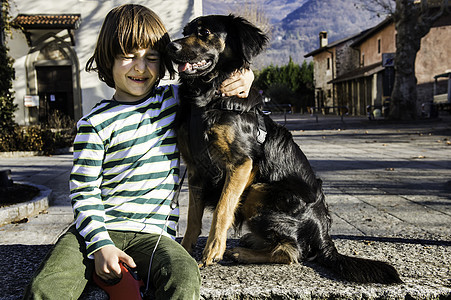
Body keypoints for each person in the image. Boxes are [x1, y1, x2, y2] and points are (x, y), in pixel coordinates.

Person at [23, 4, 254, 300]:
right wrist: (100, 245)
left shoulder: (174, 100)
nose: (140, 68)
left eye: (152, 58)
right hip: (94, 231)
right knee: (47, 285)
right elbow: (83, 192)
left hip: (154, 237)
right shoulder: (94, 123)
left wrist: (246, 75)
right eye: (127, 56)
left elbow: (220, 75)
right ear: (108, 60)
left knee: (184, 275)